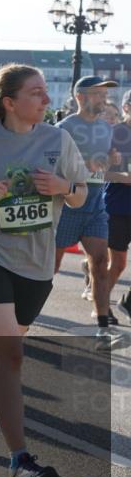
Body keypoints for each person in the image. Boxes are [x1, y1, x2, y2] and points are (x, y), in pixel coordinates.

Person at [0, 63, 88, 477]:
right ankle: (20, 463)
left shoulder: (58, 140)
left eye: (46, 91)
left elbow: (82, 193)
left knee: (0, 352)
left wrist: (63, 187)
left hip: (36, 265)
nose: (47, 99)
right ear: (10, 102)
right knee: (11, 354)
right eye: (36, 93)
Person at [53, 76, 125, 342]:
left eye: (104, 95)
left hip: (95, 203)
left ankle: (103, 327)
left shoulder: (106, 128)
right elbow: (51, 164)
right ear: (80, 97)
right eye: (97, 94)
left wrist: (112, 160)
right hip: (67, 204)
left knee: (100, 262)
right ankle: (22, 314)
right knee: (51, 267)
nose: (103, 99)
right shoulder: (64, 128)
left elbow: (105, 164)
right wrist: (85, 164)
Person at [110, 91, 131, 320]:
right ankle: (101, 305)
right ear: (126, 108)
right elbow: (101, 172)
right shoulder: (115, 133)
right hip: (118, 206)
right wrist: (124, 177)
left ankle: (128, 302)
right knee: (117, 264)